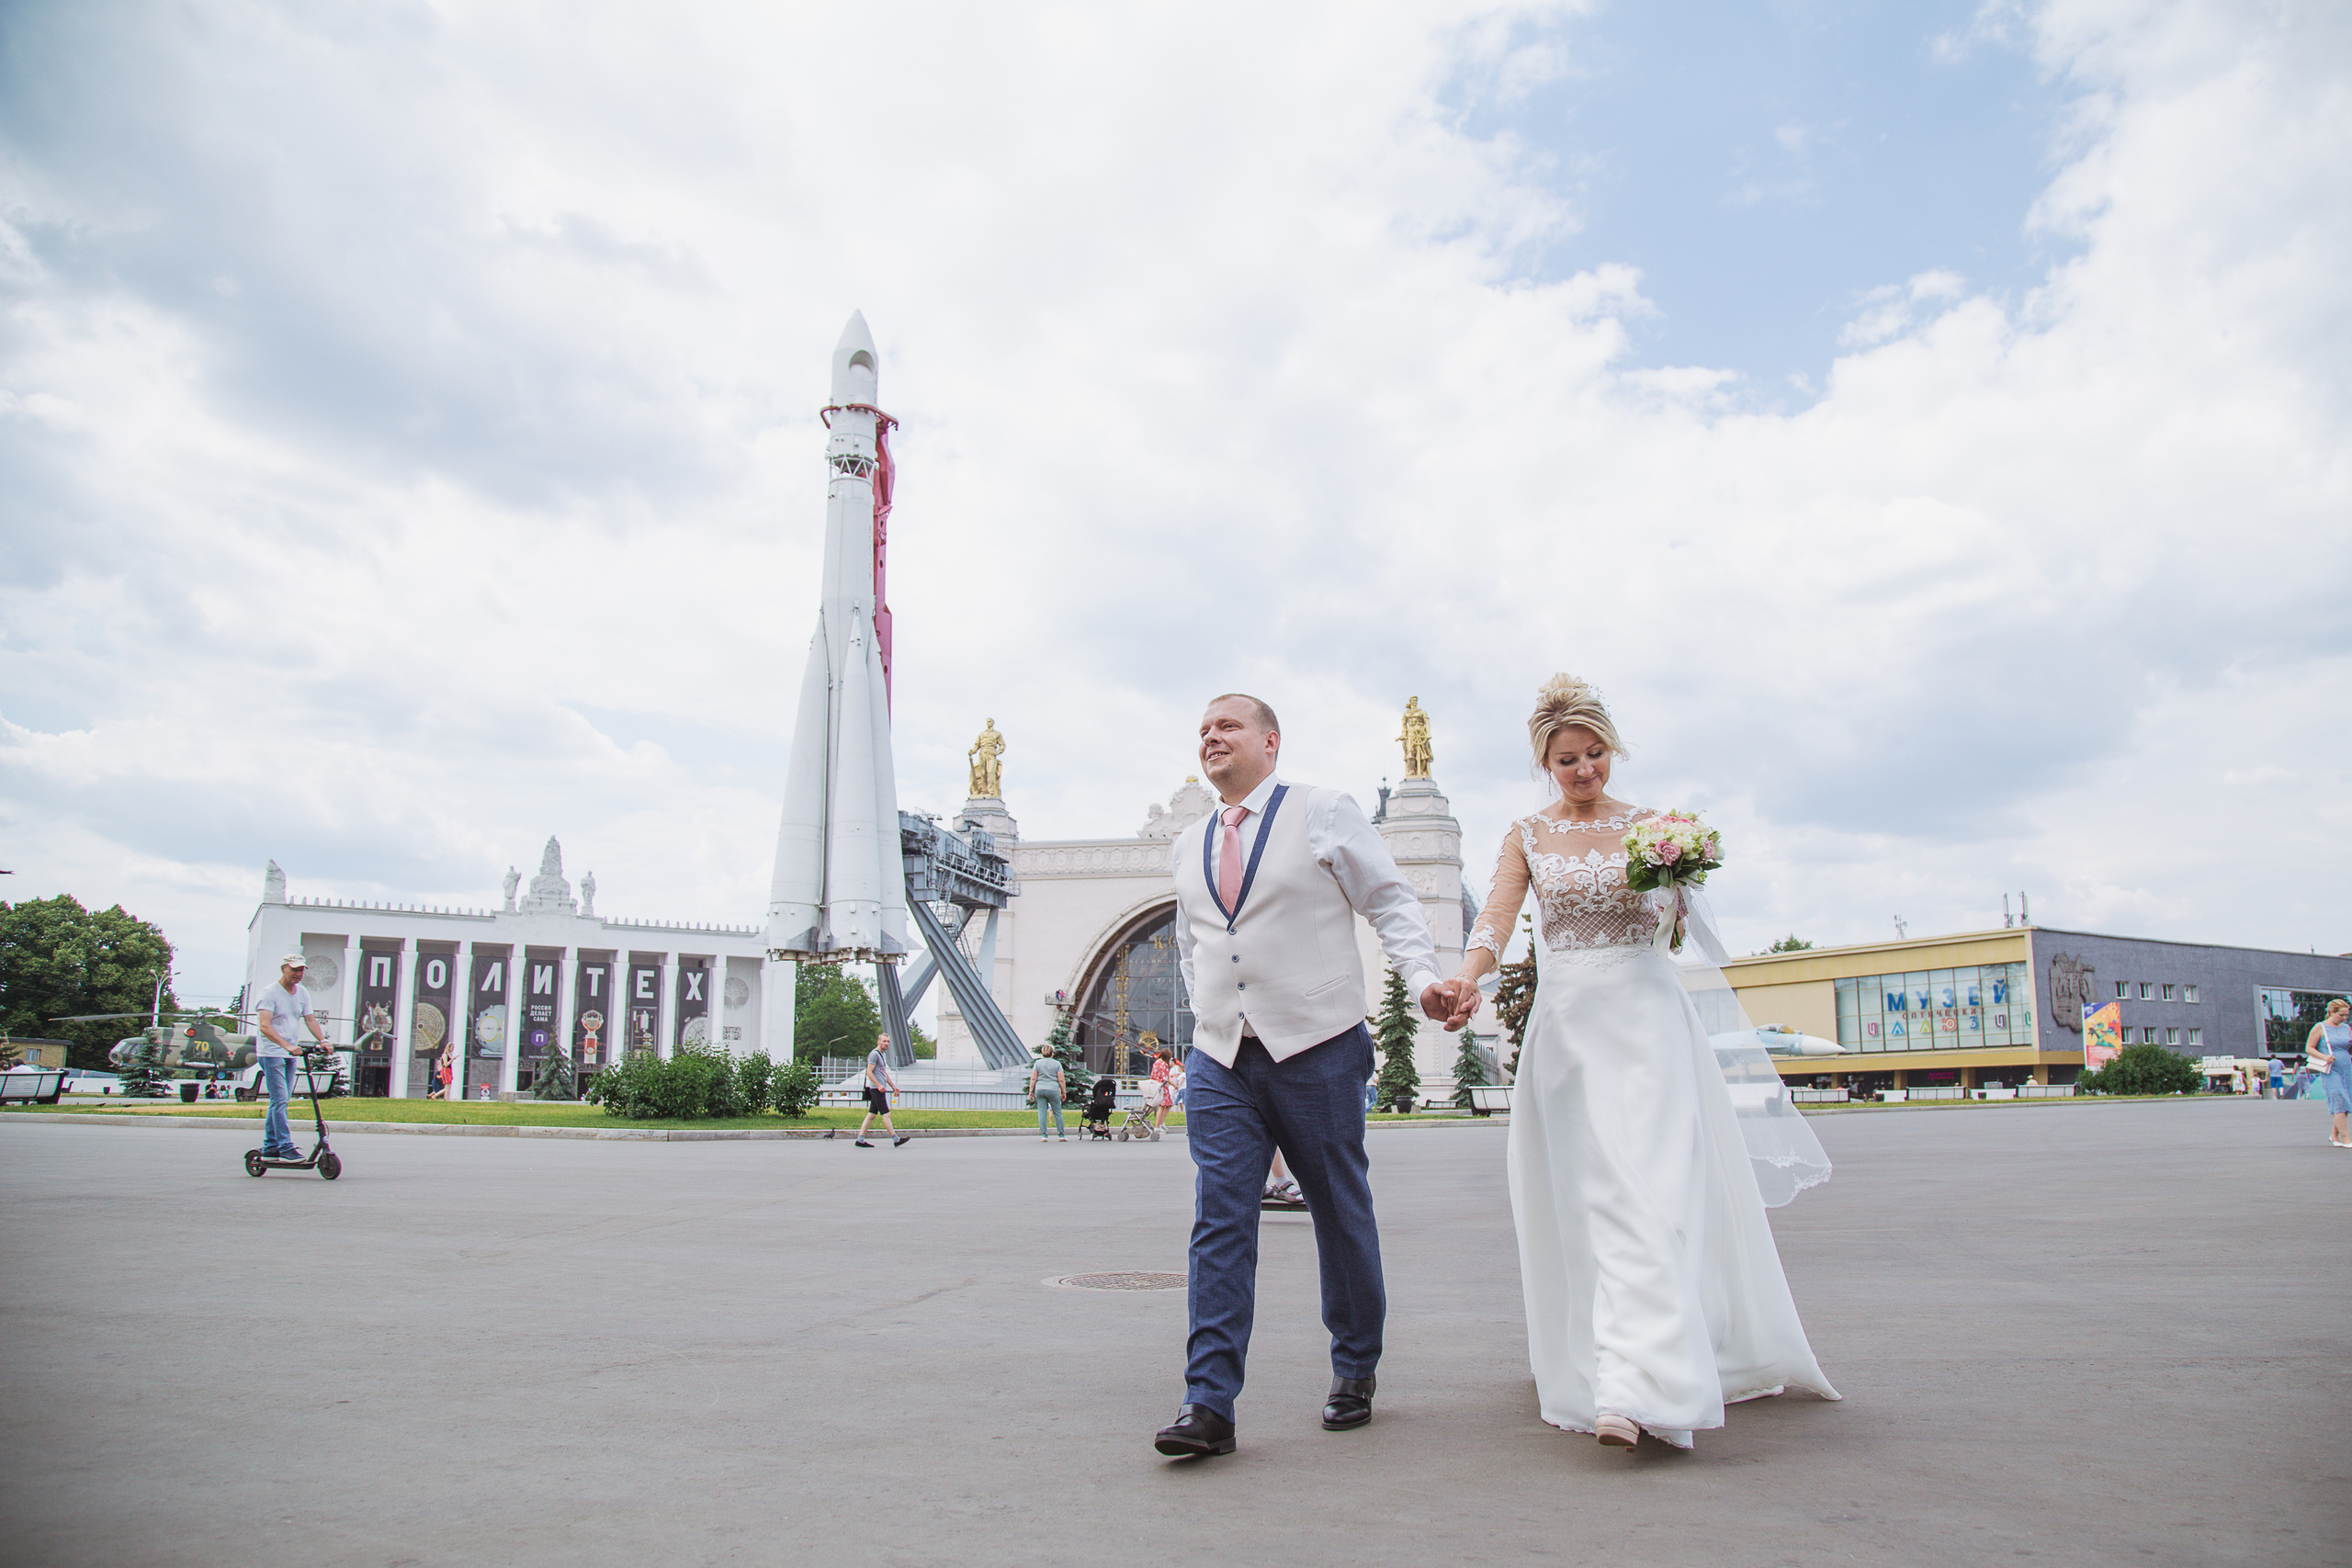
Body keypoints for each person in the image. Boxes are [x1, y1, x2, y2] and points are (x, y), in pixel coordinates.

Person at [1435, 673, 1839, 1452]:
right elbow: (1496, 921)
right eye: (1567, 760)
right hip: (1570, 1035)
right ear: (1544, 763)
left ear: (1612, 748)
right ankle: (1622, 1366)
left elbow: (1677, 935)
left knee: (1651, 1192)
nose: (1584, 769)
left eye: (1595, 753)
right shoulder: (1527, 835)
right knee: (1599, 1198)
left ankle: (1632, 1388)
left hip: (1651, 1024)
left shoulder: (1658, 829)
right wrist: (1466, 976)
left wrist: (1676, 890)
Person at [1153, 694, 1463, 1460]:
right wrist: (1212, 1013)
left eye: (1227, 725)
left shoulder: (1322, 810)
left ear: (1271, 741)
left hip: (1319, 1046)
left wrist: (1424, 978)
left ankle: (1355, 1365)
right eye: (1203, 730)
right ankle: (1208, 1401)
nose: (1211, 736)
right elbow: (1195, 943)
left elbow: (1389, 899)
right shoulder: (1188, 843)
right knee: (1219, 1219)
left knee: (1337, 1208)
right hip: (1223, 1057)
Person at [253, 953, 327, 1160]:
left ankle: (270, 1147)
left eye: (301, 970)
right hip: (271, 1053)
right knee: (280, 1100)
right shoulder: (270, 993)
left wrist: (323, 1040)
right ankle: (285, 1147)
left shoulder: (302, 992)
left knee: (280, 1101)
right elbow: (265, 1026)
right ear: (283, 968)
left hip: (290, 1054)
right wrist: (287, 1045)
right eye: (294, 969)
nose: (298, 974)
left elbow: (310, 1019)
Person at [2308, 999, 2352, 1148]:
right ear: (2332, 1012)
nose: (2344, 1018)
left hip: (2346, 1068)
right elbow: (2309, 1047)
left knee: (2346, 1101)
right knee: (2338, 1099)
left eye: (2346, 1015)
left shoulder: (2346, 1028)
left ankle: (2334, 1135)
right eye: (2341, 1015)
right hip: (2330, 1069)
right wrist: (2324, 1056)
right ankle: (2346, 1138)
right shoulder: (2320, 1027)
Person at [855, 1032, 910, 1148]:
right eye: (884, 1041)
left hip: (880, 1089)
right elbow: (869, 1072)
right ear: (878, 1042)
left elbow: (883, 1072)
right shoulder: (874, 1054)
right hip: (876, 1089)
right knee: (886, 1113)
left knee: (872, 1115)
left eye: (888, 1041)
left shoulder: (882, 1055)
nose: (886, 1043)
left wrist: (893, 1086)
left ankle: (860, 1139)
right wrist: (878, 1085)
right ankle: (896, 1139)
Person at [1028, 1043, 1069, 1142]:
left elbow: (1033, 1078)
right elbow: (1061, 1080)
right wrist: (1064, 1092)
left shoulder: (1037, 1063)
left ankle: (1044, 1136)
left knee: (1042, 1113)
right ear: (1052, 1053)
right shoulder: (1057, 1064)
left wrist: (1031, 1091)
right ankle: (1061, 1135)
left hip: (1040, 1089)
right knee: (1057, 1112)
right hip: (1053, 1089)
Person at [1148, 1045, 1178, 1133]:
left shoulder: (1156, 1063)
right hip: (1162, 1087)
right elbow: (1165, 1078)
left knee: (1167, 1105)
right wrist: (1174, 1085)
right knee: (1164, 1106)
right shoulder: (1164, 1064)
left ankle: (1161, 1123)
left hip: (1156, 1085)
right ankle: (1158, 1126)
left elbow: (1152, 1075)